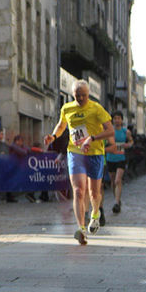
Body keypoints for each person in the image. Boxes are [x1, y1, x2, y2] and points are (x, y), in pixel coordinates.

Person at [44, 80, 114, 245]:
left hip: (95, 153)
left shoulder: (96, 108)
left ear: (88, 95)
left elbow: (110, 130)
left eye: (84, 95)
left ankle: (95, 214)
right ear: (73, 95)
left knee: (94, 193)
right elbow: (61, 126)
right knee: (78, 190)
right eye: (77, 96)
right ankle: (81, 229)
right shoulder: (67, 108)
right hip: (75, 153)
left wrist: (92, 138)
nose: (81, 98)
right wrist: (53, 136)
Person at [105, 111, 132, 215]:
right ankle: (117, 198)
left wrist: (128, 145)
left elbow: (131, 141)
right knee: (112, 181)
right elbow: (105, 142)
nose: (117, 120)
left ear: (122, 120)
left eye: (119, 118)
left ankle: (116, 203)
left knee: (117, 180)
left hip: (121, 158)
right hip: (111, 158)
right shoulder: (109, 131)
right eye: (115, 118)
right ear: (112, 120)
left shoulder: (126, 132)